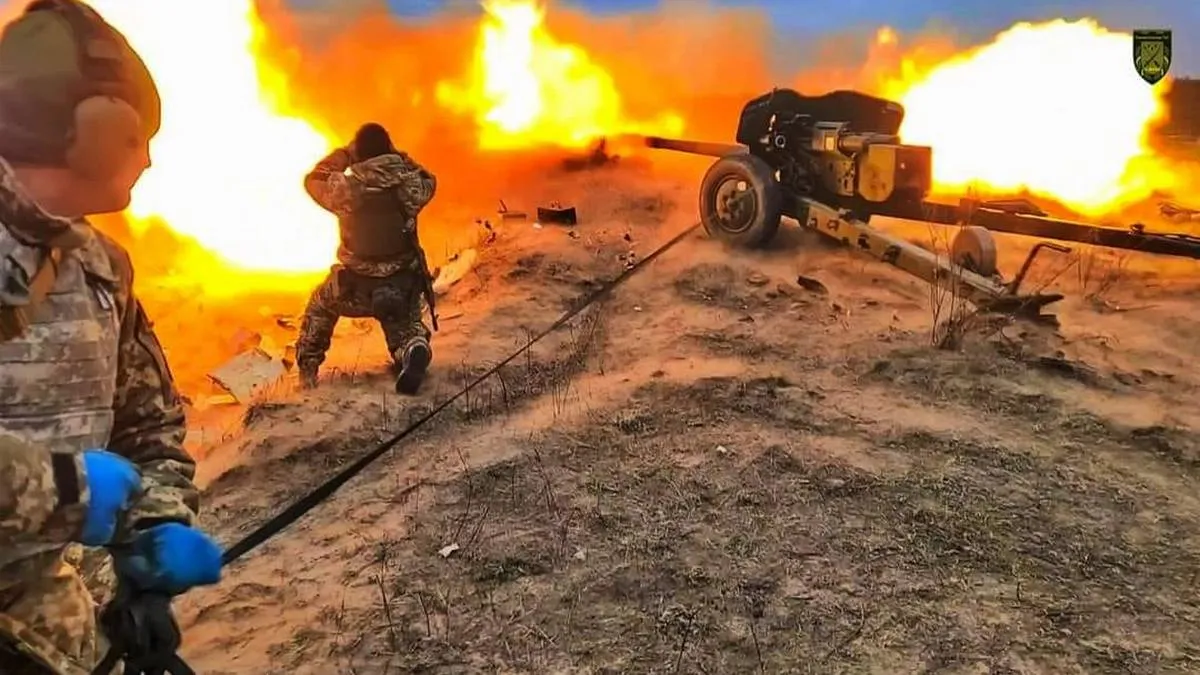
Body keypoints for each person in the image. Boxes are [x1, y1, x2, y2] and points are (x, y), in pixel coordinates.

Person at [0, 1, 222, 673]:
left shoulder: (101, 265)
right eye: (136, 136)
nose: (149, 158)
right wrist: (65, 489)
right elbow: (76, 489)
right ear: (84, 129)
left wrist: (151, 538)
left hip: (58, 636)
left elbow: (148, 424)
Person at [297, 122, 438, 394]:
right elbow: (429, 178)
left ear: (359, 155)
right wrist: (400, 157)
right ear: (388, 150)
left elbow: (314, 178)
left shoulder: (344, 189)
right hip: (398, 286)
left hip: (355, 288)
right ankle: (412, 349)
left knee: (320, 306)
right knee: (405, 328)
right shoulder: (410, 189)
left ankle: (308, 372)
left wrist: (345, 155)